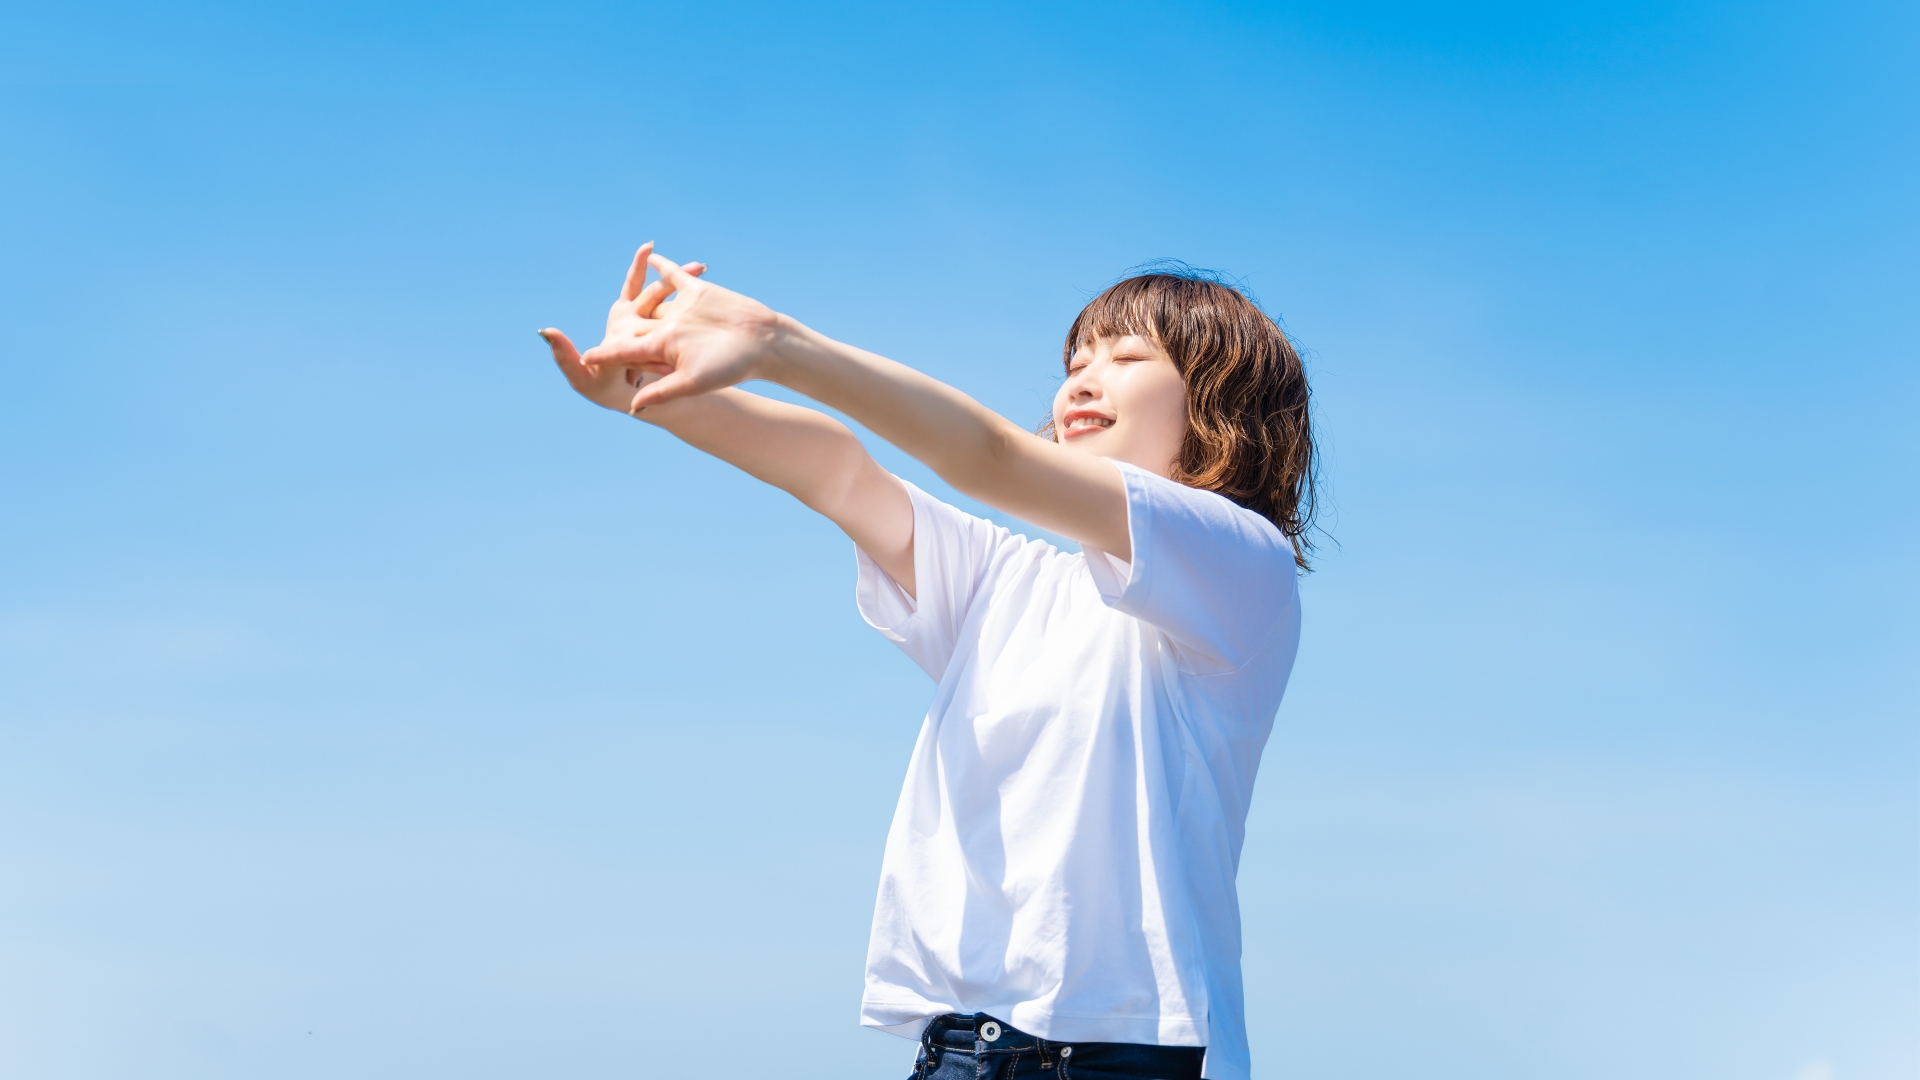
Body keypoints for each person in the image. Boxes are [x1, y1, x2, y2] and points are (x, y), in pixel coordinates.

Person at [539, 243, 1316, 1080]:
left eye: (1127, 358)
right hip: (963, 1050)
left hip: (1134, 1049)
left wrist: (776, 344)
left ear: (1221, 406)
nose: (1083, 382)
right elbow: (835, 471)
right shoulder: (1009, 582)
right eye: (1075, 363)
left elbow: (991, 458)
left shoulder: (1244, 566)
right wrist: (653, 393)